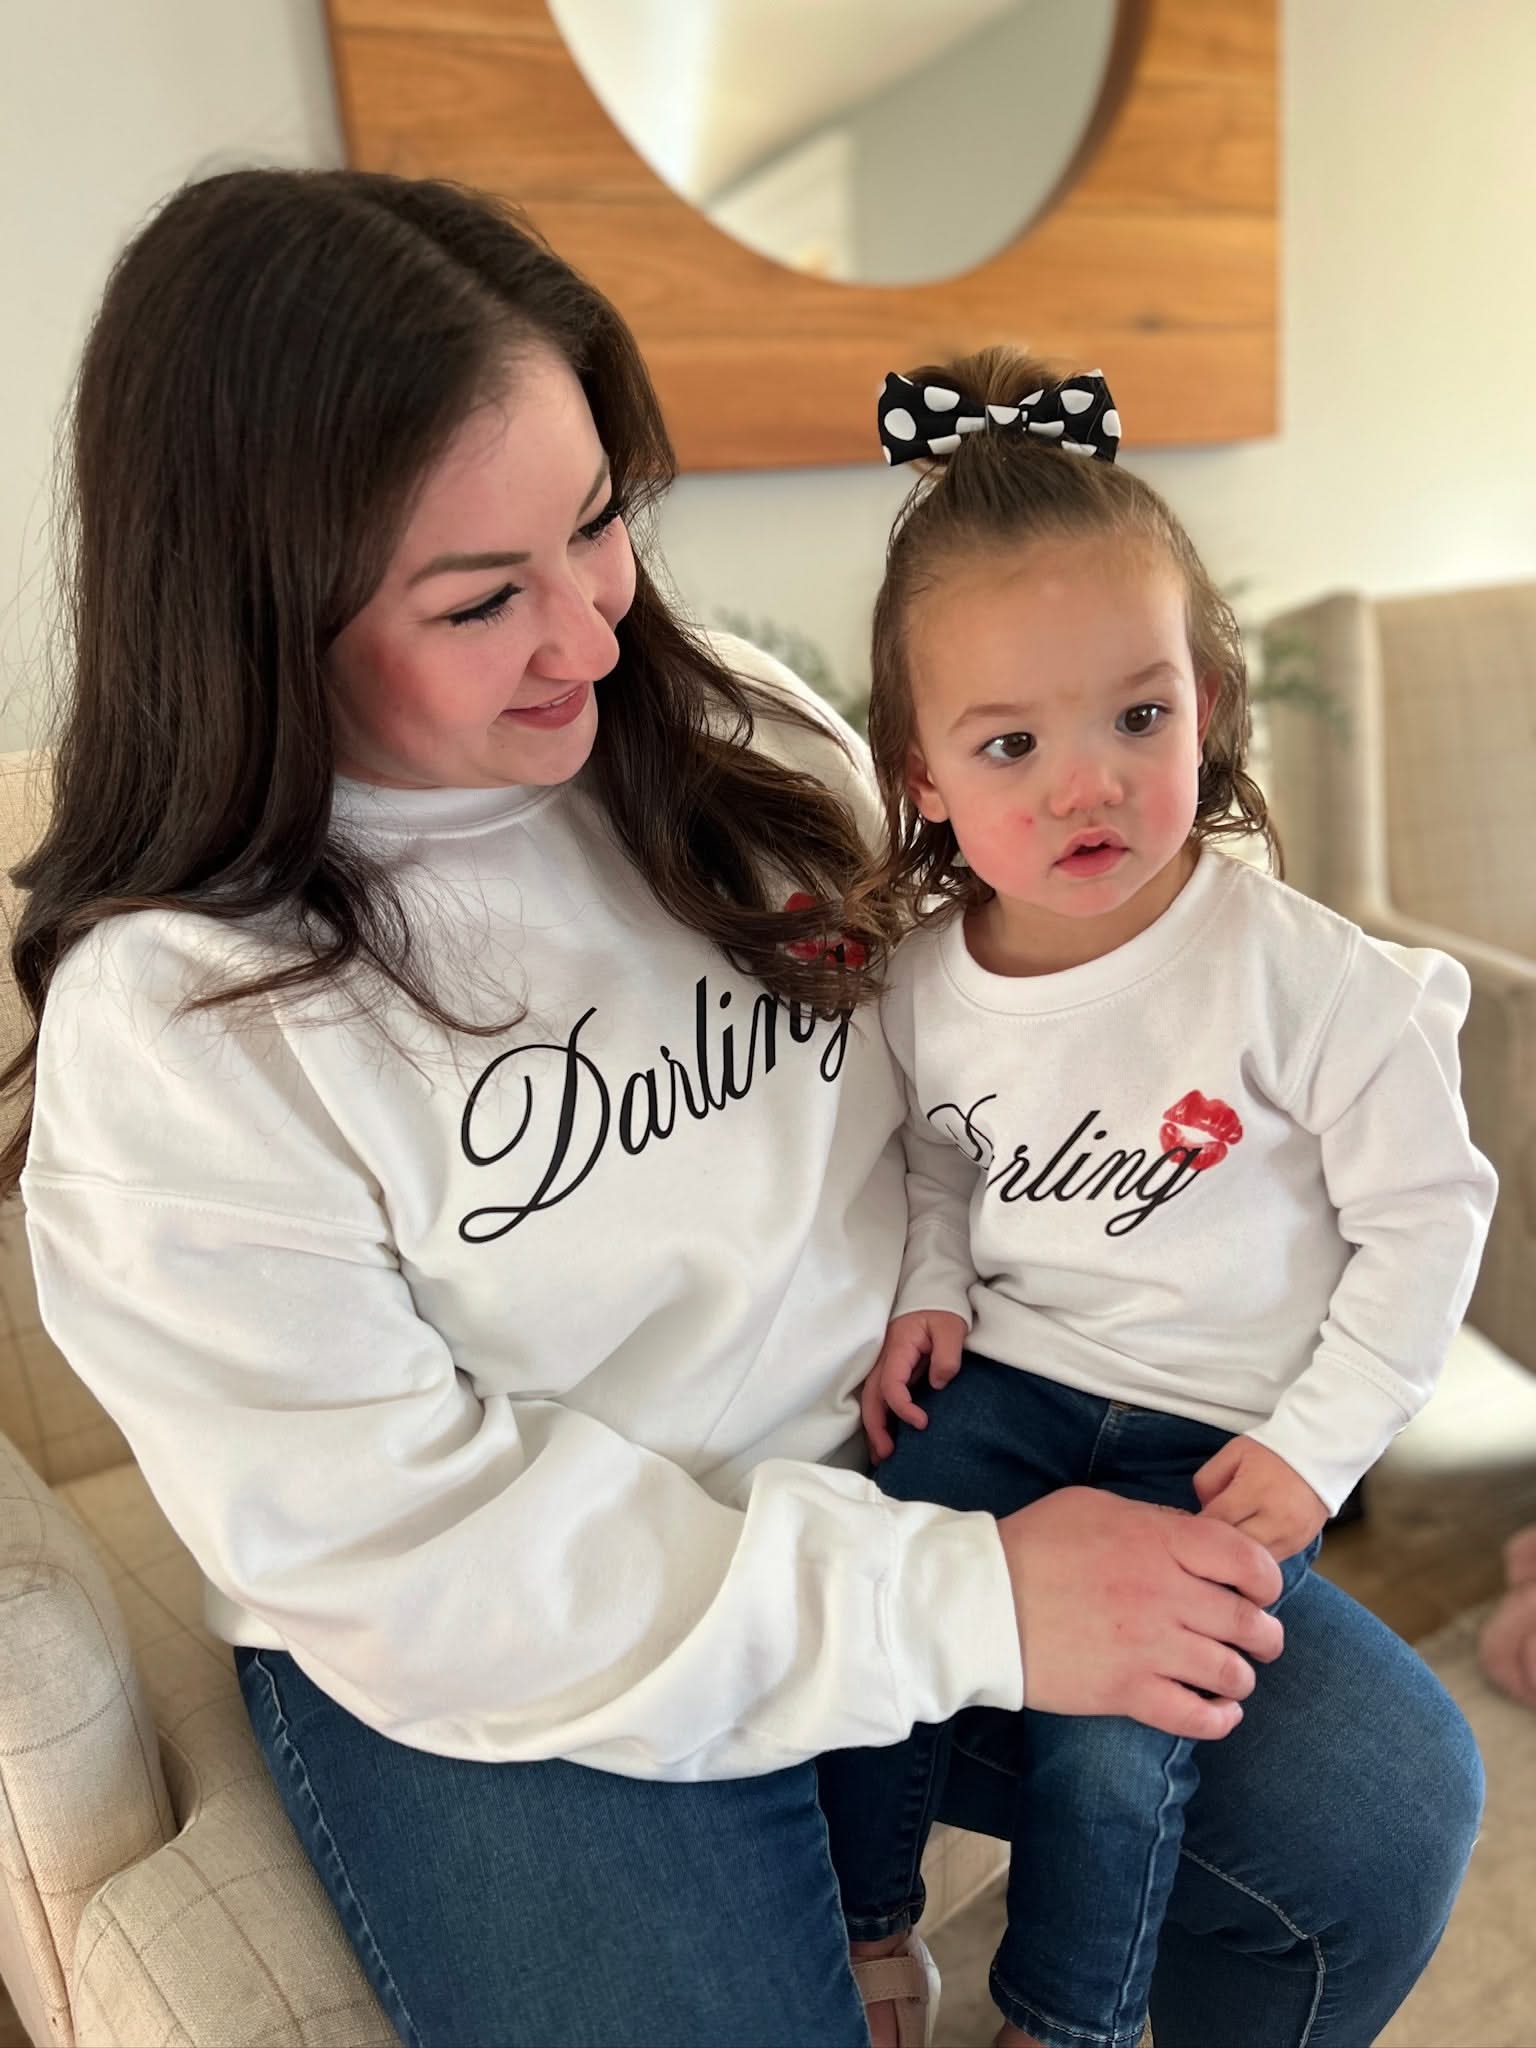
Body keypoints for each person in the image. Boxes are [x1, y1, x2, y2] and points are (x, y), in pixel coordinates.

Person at [2, 170, 1480, 2048]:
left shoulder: (750, 749)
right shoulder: (192, 1025)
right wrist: (964, 1603)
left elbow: (971, 1091)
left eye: (601, 526)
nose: (596, 637)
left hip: (950, 1443)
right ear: (256, 618)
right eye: (481, 600)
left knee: (1384, 1811)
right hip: (535, 1607)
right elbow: (409, 1554)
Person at [815, 353, 1497, 2048]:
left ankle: (1072, 2018)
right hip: (1012, 1387)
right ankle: (863, 1932)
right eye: (1011, 742)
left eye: (1140, 716)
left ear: (1208, 700)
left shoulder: (1311, 983)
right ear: (921, 772)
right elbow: (932, 1157)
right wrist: (929, 1289)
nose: (1086, 784)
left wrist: (1319, 1447)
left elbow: (1430, 1220)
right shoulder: (920, 981)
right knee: (879, 1583)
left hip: (1214, 1435)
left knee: (1127, 1738)